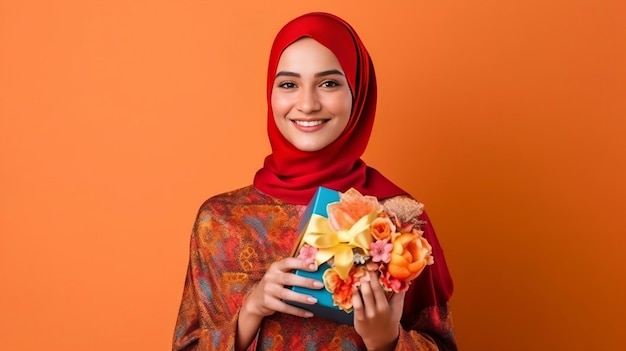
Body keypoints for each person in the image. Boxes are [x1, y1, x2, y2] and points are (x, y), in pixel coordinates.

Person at [173, 12, 456, 351]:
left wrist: (387, 340)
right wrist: (251, 311)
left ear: (358, 93)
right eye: (289, 84)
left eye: (329, 83)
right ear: (270, 92)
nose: (307, 104)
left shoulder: (399, 220)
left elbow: (441, 343)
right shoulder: (219, 221)